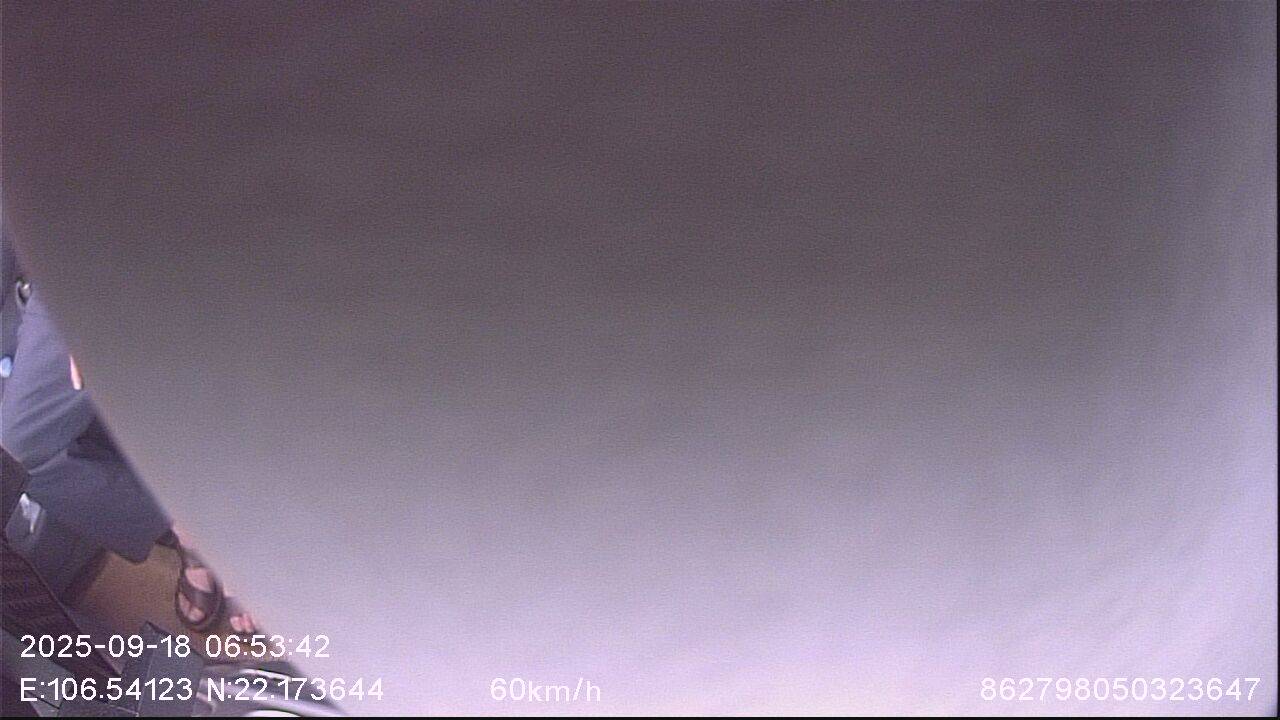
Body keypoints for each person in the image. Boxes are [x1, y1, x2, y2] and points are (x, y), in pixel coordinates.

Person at [0, 224, 256, 638]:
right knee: (22, 447)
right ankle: (193, 524)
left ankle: (224, 520)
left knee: (23, 442)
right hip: (44, 271)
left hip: (96, 237)